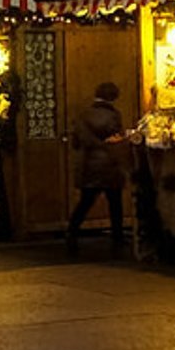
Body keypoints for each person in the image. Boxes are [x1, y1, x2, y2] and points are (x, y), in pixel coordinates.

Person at [66, 81, 130, 254]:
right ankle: (117, 237)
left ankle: (72, 233)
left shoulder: (83, 115)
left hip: (88, 164)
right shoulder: (113, 115)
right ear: (113, 97)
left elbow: (76, 141)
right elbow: (115, 137)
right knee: (115, 203)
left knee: (85, 202)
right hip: (108, 163)